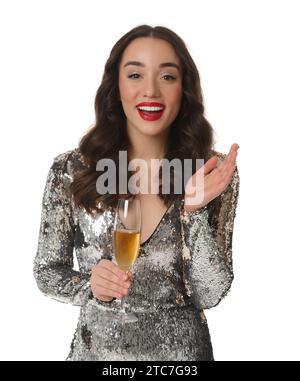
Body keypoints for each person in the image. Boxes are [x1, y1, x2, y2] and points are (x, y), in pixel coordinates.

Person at [33, 24, 240, 361]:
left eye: (168, 77)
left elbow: (212, 293)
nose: (151, 91)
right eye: (135, 75)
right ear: (116, 87)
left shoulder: (211, 173)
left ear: (184, 89)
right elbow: (47, 271)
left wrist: (195, 211)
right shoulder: (70, 170)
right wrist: (90, 285)